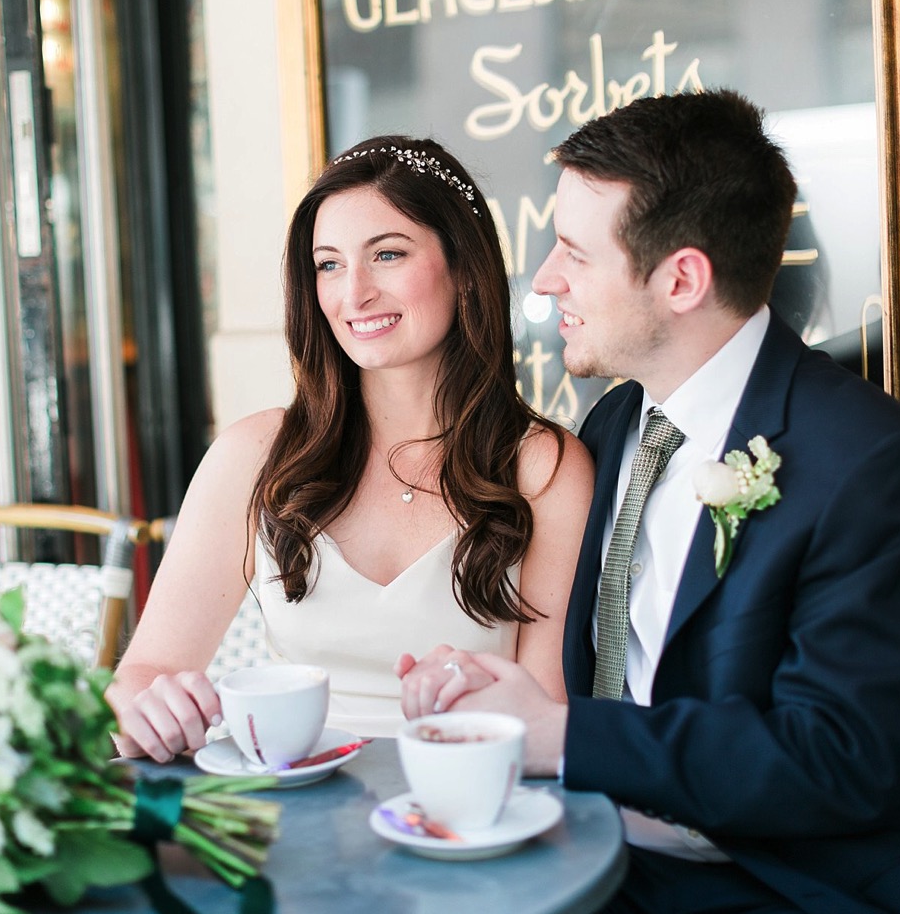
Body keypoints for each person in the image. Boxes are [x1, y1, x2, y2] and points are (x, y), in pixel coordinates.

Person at [397, 92, 900, 914]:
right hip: (619, 863)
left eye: (573, 253)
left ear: (682, 279)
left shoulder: (872, 466)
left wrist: (558, 735)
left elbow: (834, 762)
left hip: (818, 885)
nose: (547, 278)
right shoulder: (613, 424)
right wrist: (495, 692)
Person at [107, 136, 593, 759]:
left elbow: (548, 724)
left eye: (387, 255)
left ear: (466, 267)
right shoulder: (254, 455)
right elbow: (142, 675)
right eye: (329, 264)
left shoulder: (544, 468)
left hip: (465, 815)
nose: (353, 293)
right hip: (290, 813)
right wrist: (149, 708)